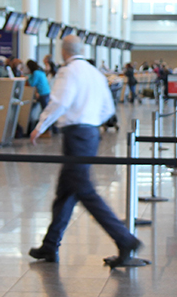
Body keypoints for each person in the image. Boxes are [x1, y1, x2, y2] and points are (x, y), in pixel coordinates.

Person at [28, 34, 142, 266]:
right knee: (66, 192)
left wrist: (40, 125)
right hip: (89, 133)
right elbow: (108, 108)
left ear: (63, 51)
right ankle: (50, 245)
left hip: (76, 135)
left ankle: (125, 239)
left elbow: (60, 101)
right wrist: (91, 123)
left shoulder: (68, 71)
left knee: (84, 191)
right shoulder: (95, 73)